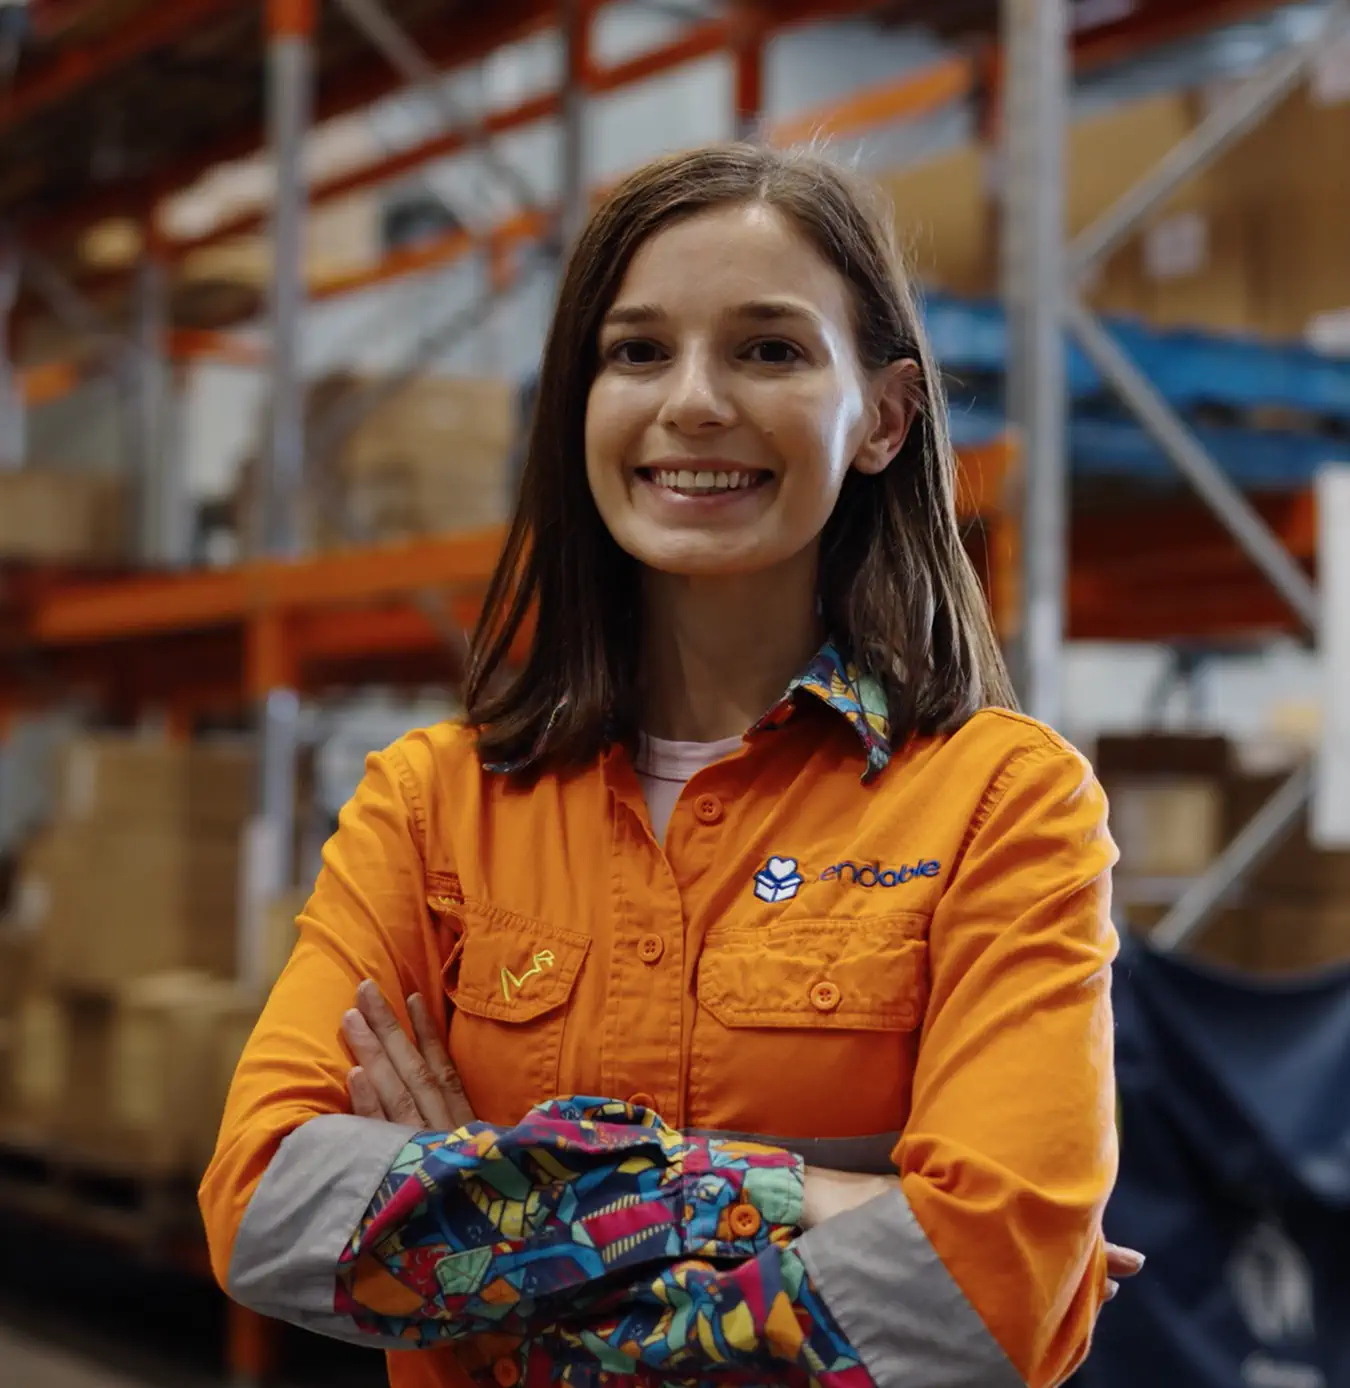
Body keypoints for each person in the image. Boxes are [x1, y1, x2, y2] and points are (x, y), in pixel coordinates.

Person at [200, 142, 1142, 1388]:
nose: (693, 401)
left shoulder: (1004, 804)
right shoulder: (431, 804)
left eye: (770, 349)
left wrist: (481, 1236)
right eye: (637, 351)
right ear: (579, 402)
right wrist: (791, 1187)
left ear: (886, 417)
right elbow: (264, 1205)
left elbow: (985, 1295)